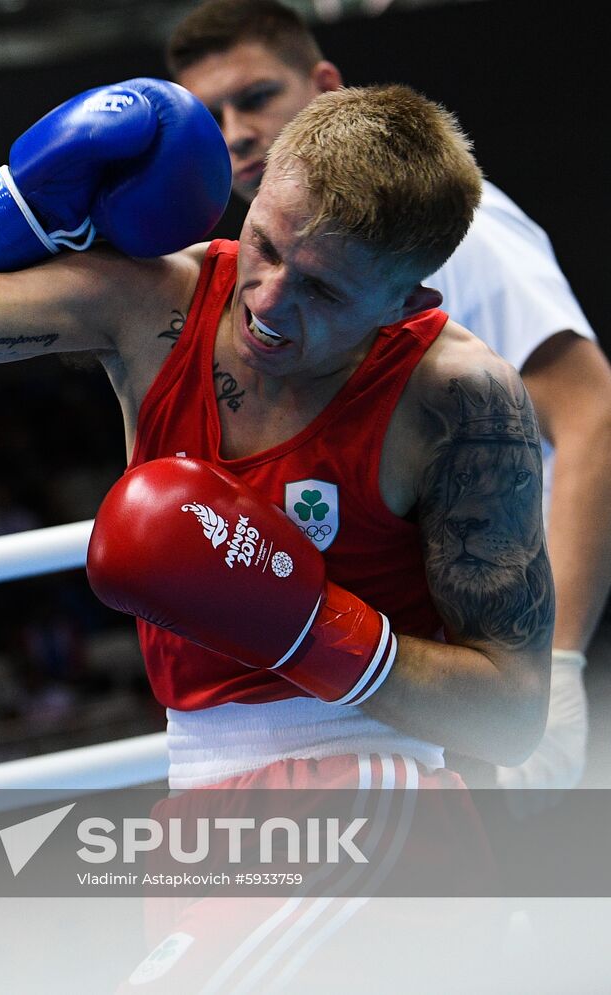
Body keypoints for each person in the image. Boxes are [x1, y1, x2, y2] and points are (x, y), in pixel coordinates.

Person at [0, 80, 549, 985]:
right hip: (197, 803)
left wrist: (311, 628)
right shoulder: (159, 306)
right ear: (255, 194)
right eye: (266, 248)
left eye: (322, 289)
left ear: (404, 301)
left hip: (370, 799)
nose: (269, 301)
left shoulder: (458, 398)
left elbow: (510, 714)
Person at [166, 0, 611, 793]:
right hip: (427, 674)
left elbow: (594, 416)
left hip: (519, 633)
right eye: (210, 114)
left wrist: (563, 665)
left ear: (326, 86)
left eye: (257, 96)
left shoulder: (446, 235)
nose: (234, 131)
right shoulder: (282, 274)